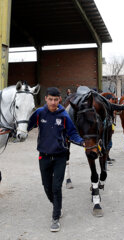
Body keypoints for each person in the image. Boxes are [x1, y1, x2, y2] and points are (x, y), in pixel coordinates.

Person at [27, 87, 85, 232]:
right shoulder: (40, 113)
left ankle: (55, 218)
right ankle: (57, 206)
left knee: (56, 187)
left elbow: (72, 133)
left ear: (59, 99)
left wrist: (83, 142)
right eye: (50, 99)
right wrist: (11, 131)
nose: (53, 102)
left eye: (56, 99)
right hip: (44, 156)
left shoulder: (64, 115)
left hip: (60, 156)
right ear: (45, 98)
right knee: (46, 186)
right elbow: (26, 126)